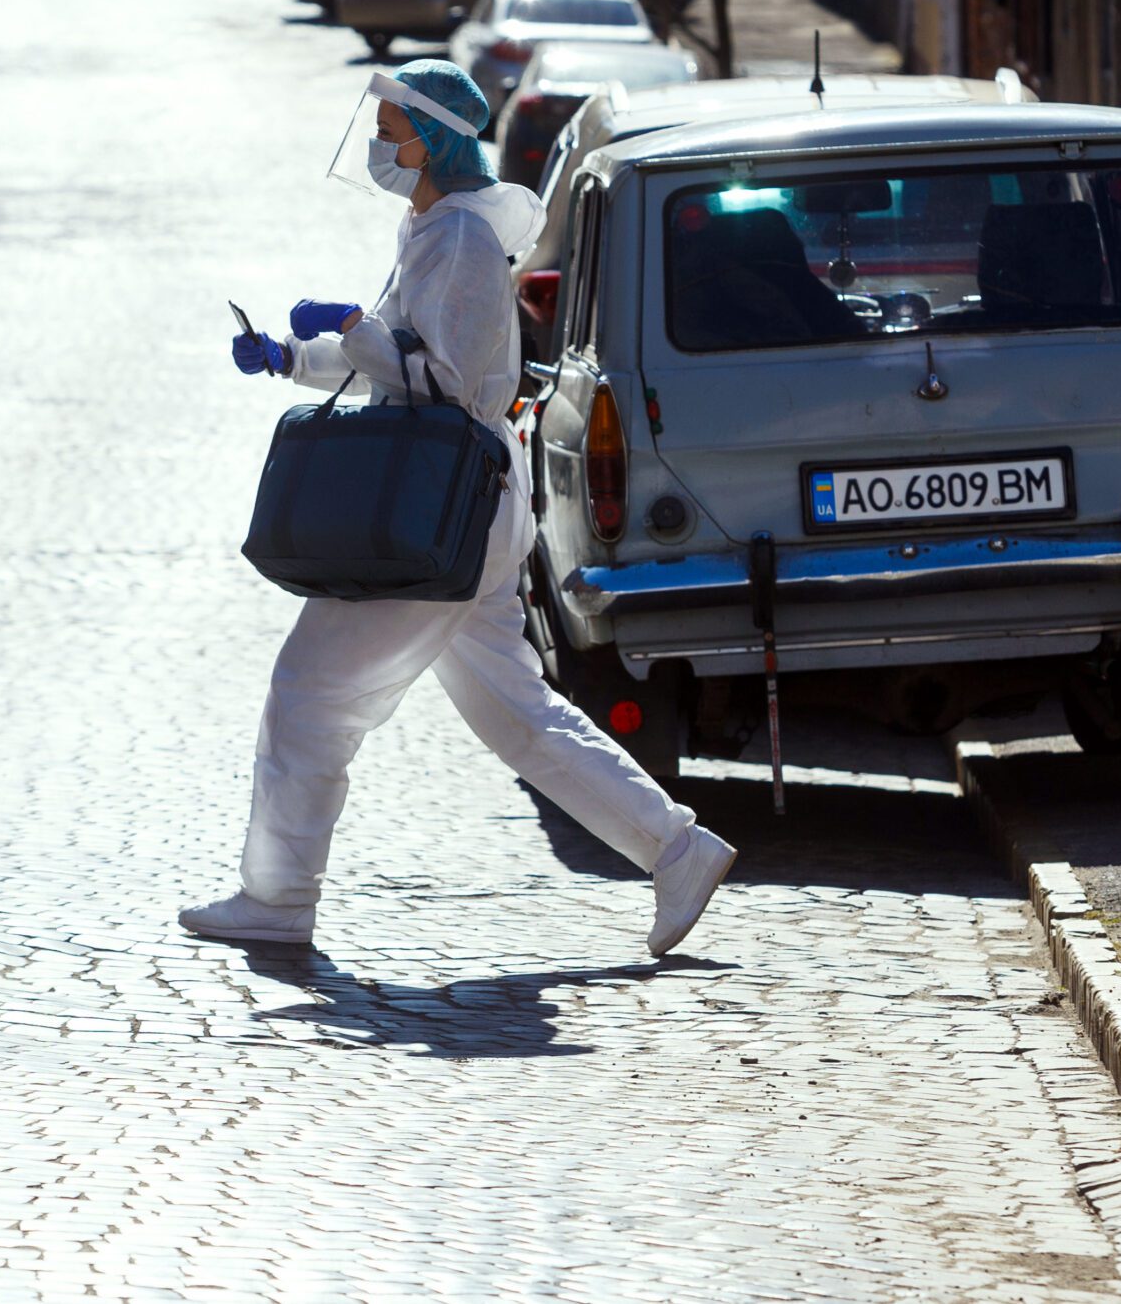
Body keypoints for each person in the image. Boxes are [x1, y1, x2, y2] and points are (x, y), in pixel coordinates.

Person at [188, 59, 735, 954]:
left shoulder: (462, 244)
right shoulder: (436, 229)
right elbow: (399, 353)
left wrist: (353, 331)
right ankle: (677, 849)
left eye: (392, 128)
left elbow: (447, 382)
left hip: (438, 517)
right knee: (518, 714)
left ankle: (280, 898)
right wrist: (290, 354)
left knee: (310, 691)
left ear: (432, 138)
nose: (378, 144)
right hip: (467, 517)